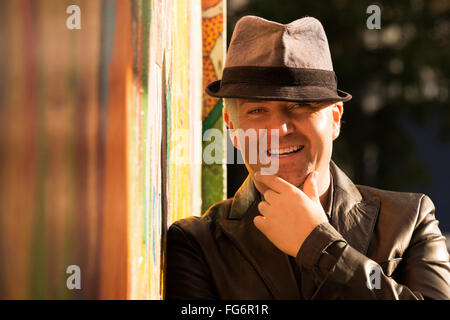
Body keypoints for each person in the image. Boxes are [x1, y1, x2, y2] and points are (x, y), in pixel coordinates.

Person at [165, 16, 450, 299]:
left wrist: (319, 247)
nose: (280, 129)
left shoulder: (411, 220)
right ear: (231, 127)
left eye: (301, 105)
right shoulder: (197, 244)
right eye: (257, 111)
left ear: (336, 119)